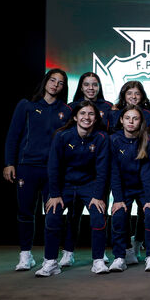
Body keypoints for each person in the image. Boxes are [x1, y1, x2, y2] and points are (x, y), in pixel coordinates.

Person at [4, 69, 71, 271]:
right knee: (25, 212)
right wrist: (9, 162)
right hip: (27, 167)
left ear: (63, 88)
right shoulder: (27, 105)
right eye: (52, 80)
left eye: (60, 83)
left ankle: (50, 259)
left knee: (53, 214)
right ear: (45, 81)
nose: (55, 85)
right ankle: (26, 255)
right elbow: (13, 136)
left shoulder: (66, 111)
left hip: (53, 171)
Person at [35, 101, 110, 277]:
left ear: (96, 117)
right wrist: (54, 194)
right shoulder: (62, 136)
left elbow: (102, 170)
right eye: (83, 113)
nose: (87, 117)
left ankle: (98, 260)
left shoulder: (101, 138)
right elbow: (53, 167)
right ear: (75, 117)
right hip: (65, 185)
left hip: (89, 185)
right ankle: (51, 263)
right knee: (53, 215)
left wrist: (98, 196)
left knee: (98, 216)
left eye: (91, 114)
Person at [108, 105, 150, 272]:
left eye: (135, 118)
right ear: (121, 120)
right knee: (119, 214)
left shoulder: (148, 141)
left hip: (143, 188)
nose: (131, 121)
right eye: (127, 118)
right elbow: (114, 172)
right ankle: (120, 257)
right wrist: (118, 199)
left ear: (140, 122)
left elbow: (147, 172)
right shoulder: (114, 140)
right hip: (124, 188)